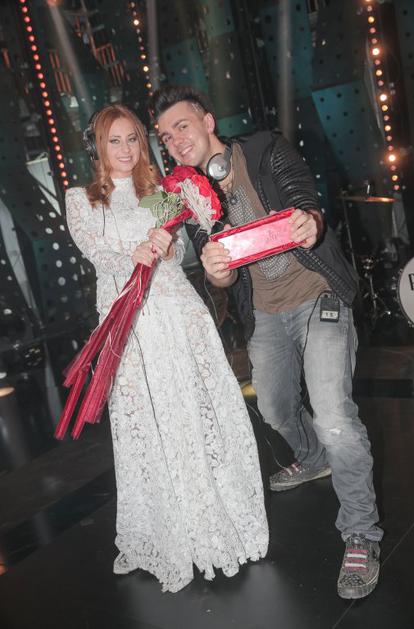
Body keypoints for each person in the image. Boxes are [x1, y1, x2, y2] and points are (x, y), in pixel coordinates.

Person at [151, 85, 383, 600]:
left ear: (208, 121)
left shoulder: (263, 149)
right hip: (267, 315)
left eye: (182, 126)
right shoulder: (187, 195)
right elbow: (221, 274)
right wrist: (216, 272)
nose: (175, 140)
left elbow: (306, 202)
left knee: (334, 417)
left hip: (318, 294)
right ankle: (314, 457)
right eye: (165, 136)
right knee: (276, 409)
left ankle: (361, 534)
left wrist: (310, 221)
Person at [65, 103, 269, 593]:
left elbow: (178, 256)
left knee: (196, 415)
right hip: (129, 326)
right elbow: (95, 251)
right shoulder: (81, 199)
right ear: (98, 146)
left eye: (132, 139)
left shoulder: (160, 192)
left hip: (178, 315)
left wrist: (167, 246)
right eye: (114, 141)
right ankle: (166, 529)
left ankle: (216, 519)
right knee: (149, 425)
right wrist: (133, 253)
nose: (125, 150)